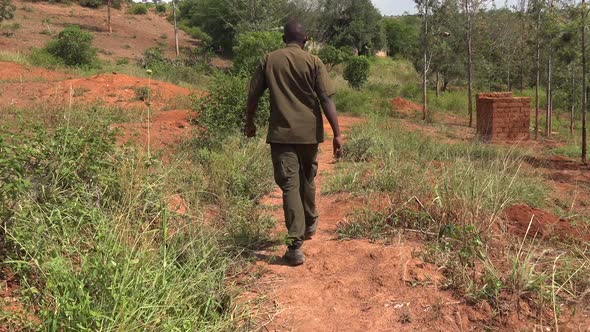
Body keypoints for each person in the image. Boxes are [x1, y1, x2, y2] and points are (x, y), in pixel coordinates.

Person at [245, 18, 342, 266]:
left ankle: (294, 246)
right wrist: (337, 134)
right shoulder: (314, 62)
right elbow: (326, 100)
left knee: (290, 184)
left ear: (283, 38)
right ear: (306, 40)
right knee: (307, 178)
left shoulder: (269, 60)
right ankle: (310, 223)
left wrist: (250, 122)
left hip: (281, 135)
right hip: (310, 135)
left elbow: (253, 94)